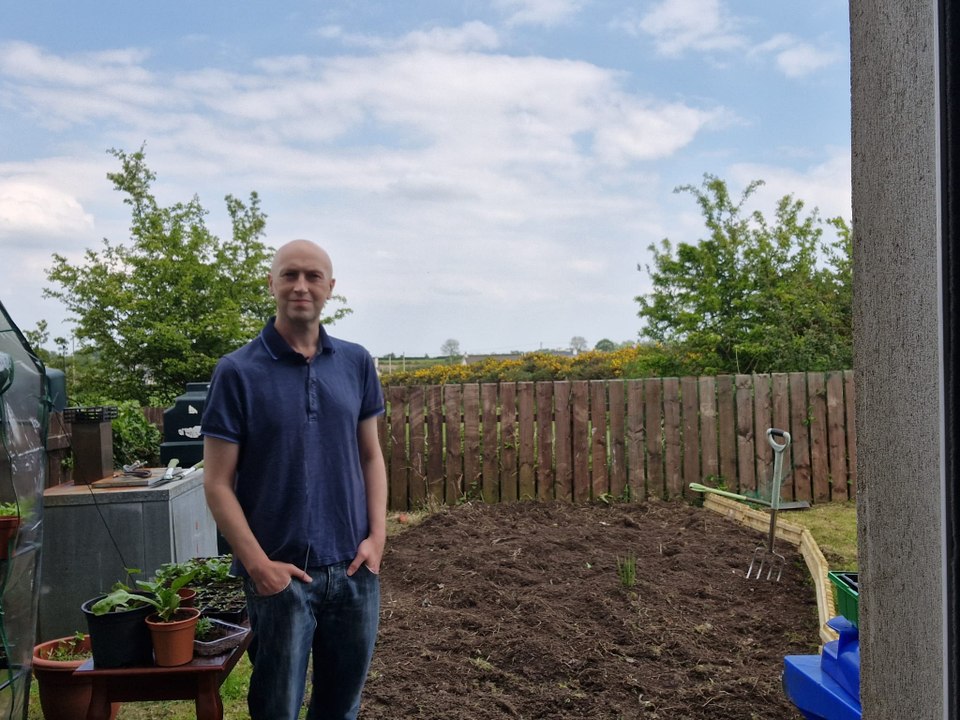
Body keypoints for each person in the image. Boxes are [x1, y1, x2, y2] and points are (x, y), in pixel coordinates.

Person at [201, 239, 387, 720]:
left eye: (312, 276)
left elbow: (371, 456)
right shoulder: (237, 371)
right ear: (272, 283)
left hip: (353, 572)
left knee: (341, 708)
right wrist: (259, 566)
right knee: (276, 709)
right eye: (289, 275)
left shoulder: (356, 363)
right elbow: (217, 482)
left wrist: (377, 540)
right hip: (280, 579)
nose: (301, 286)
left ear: (330, 288)